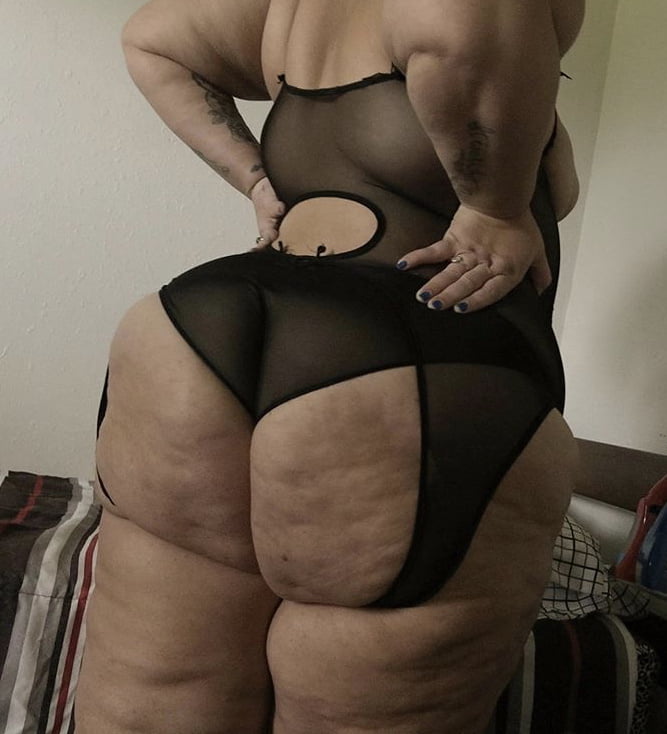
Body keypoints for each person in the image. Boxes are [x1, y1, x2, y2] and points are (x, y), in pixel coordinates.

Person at [75, 1, 585, 732]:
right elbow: (460, 18)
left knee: (155, 693)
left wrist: (258, 180)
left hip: (194, 332)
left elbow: (152, 39)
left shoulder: (294, 10)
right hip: (409, 368)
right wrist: (497, 209)